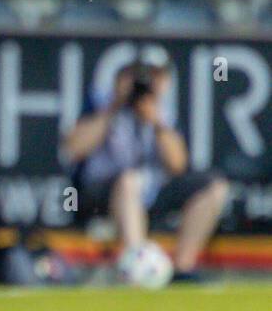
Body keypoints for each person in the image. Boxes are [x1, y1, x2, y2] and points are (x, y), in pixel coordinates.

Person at [62, 61, 228, 280]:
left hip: (151, 190)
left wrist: (156, 122)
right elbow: (72, 149)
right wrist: (114, 106)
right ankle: (137, 264)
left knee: (214, 186)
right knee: (129, 181)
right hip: (101, 193)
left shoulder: (160, 112)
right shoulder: (100, 104)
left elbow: (178, 165)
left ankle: (182, 268)